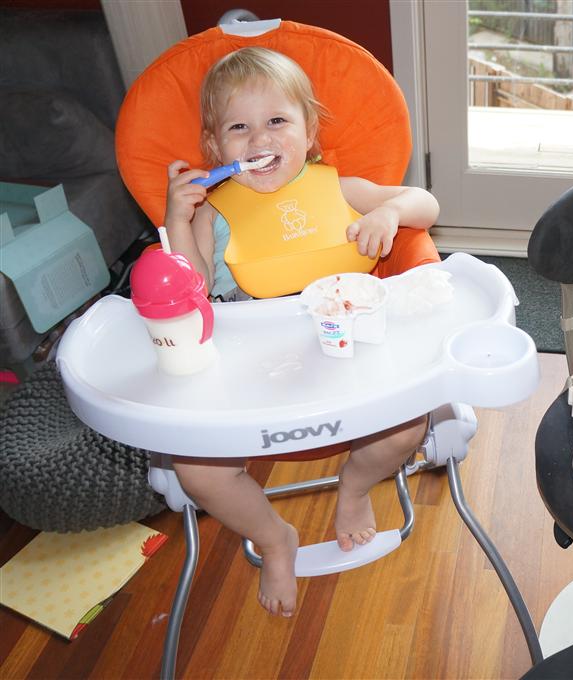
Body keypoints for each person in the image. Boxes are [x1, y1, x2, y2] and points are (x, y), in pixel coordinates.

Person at [163, 47, 440, 617]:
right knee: (196, 471)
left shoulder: (339, 188)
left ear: (309, 133)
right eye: (239, 128)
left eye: (276, 121)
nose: (259, 138)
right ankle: (274, 538)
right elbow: (190, 288)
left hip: (351, 356)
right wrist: (177, 219)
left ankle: (355, 486)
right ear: (215, 146)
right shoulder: (215, 213)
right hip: (254, 369)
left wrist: (388, 214)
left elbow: (425, 204)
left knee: (407, 428)